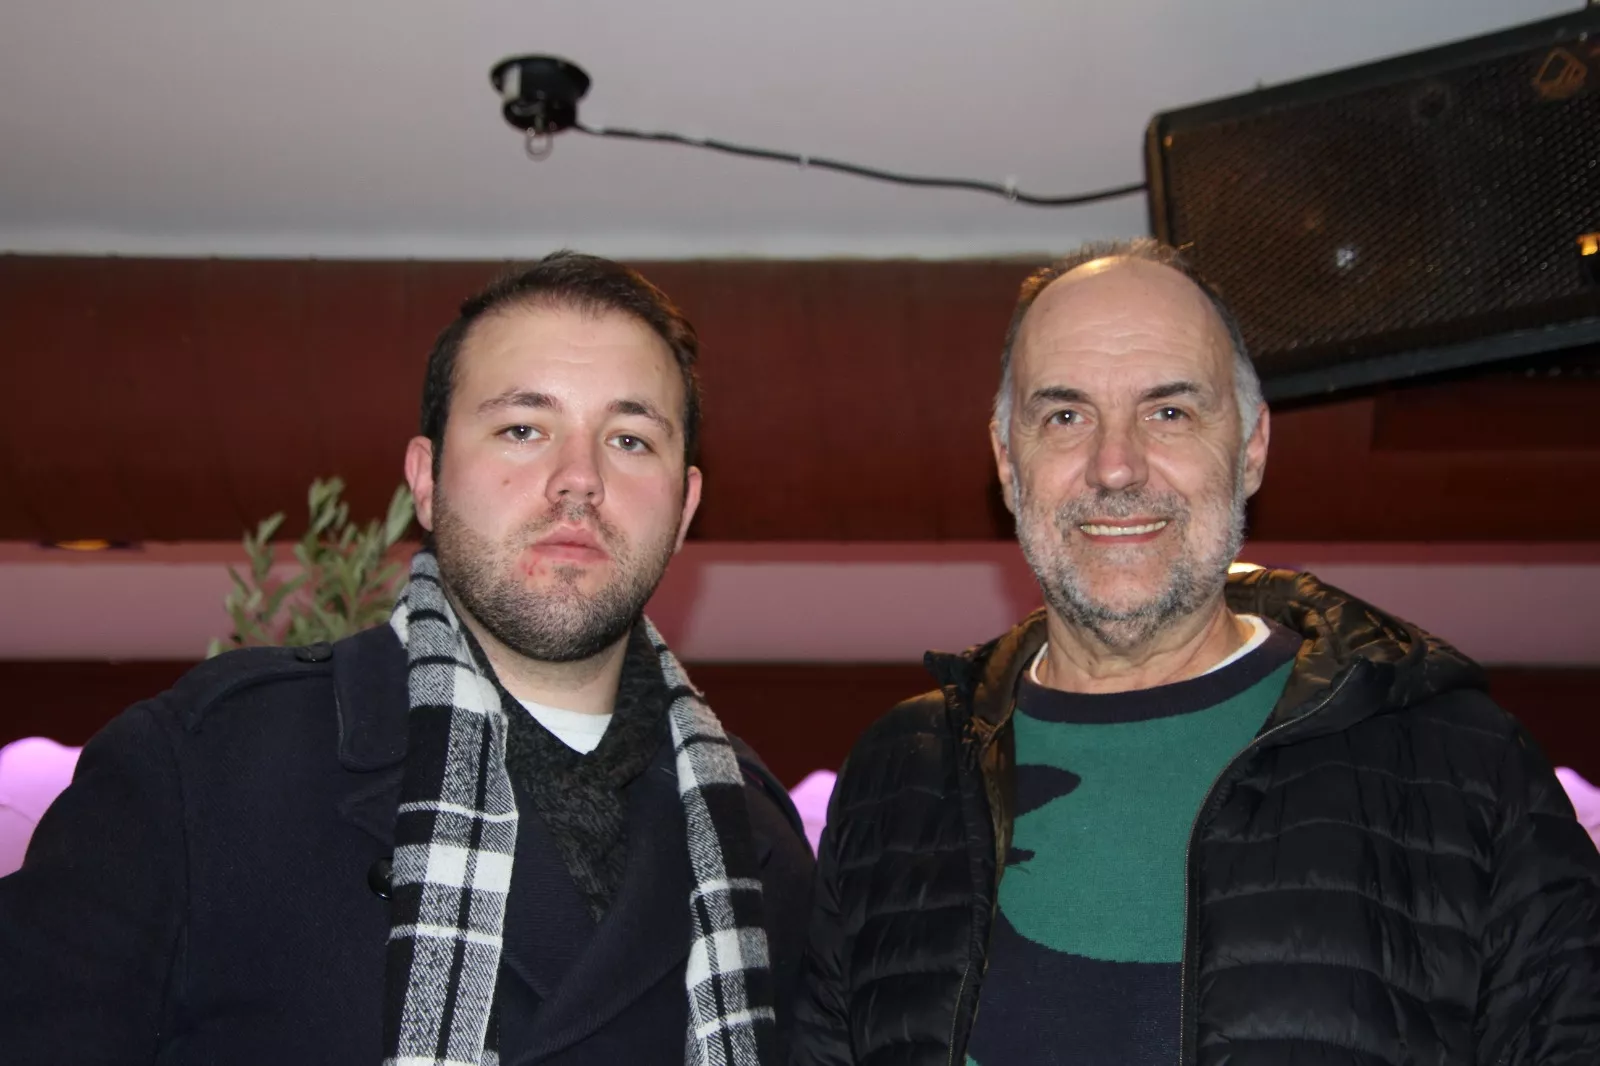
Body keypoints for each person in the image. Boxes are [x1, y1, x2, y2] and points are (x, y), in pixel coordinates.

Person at [791, 239, 1600, 1066]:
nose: (1115, 467)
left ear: (1250, 448)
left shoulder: (1461, 761)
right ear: (1007, 461)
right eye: (1065, 415)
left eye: (1169, 411)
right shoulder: (899, 774)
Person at [0, 252, 813, 1066]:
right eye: (523, 429)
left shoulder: (761, 840)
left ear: (684, 507)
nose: (579, 480)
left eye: (630, 439)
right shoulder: (201, 768)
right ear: (426, 480)